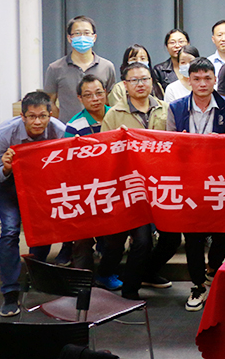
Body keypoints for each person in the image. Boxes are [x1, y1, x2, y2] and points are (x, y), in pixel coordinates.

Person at [161, 57, 225, 311]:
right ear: (189, 81)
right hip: (189, 180)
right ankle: (197, 285)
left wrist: (221, 143)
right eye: (197, 79)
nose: (202, 83)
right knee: (193, 236)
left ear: (215, 80)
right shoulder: (176, 107)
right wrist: (180, 144)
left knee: (224, 232)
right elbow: (169, 144)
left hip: (220, 180)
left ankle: (213, 267)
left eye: (207, 78)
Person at [0, 91, 65, 317]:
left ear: (50, 115)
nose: (37, 122)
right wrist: (6, 168)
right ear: (22, 116)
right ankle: (10, 292)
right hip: (9, 184)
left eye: (42, 116)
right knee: (10, 230)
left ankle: (35, 275)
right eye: (31, 116)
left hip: (41, 183)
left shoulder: (59, 131)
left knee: (42, 229)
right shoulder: (4, 133)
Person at [100, 62, 167, 300]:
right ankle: (126, 289)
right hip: (127, 188)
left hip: (159, 187)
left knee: (155, 240)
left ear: (152, 82)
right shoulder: (114, 114)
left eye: (145, 79)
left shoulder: (165, 109)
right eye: (134, 80)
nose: (141, 84)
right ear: (125, 85)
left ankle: (134, 283)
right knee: (135, 240)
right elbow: (104, 153)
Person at [63, 75, 114, 282]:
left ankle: (106, 274)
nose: (95, 99)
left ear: (106, 93)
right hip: (85, 190)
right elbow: (67, 163)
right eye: (88, 95)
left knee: (115, 235)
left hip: (114, 187)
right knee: (82, 239)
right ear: (80, 98)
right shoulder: (74, 126)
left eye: (99, 93)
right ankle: (82, 284)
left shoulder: (116, 115)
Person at [44, 15, 117, 123]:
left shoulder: (107, 66)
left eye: (87, 33)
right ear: (69, 38)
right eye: (77, 33)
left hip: (100, 128)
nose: (82, 37)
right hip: (68, 128)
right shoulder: (55, 68)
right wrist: (63, 124)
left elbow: (110, 101)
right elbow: (49, 102)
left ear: (94, 37)